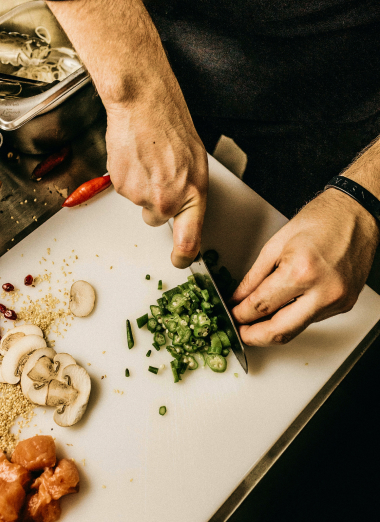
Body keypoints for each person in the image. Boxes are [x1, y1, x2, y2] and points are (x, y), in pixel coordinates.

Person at [46, 0, 380, 346]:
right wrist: (134, 94)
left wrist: (365, 197)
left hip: (345, 91)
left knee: (290, 266)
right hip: (146, 38)